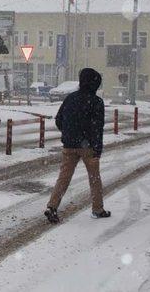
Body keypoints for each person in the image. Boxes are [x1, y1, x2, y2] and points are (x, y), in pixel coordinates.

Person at [45, 68, 111, 223]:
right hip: (88, 147)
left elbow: (59, 120)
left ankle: (52, 206)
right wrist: (96, 148)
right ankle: (97, 209)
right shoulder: (96, 102)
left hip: (69, 145)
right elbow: (97, 128)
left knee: (63, 178)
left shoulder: (70, 98)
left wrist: (69, 134)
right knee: (94, 178)